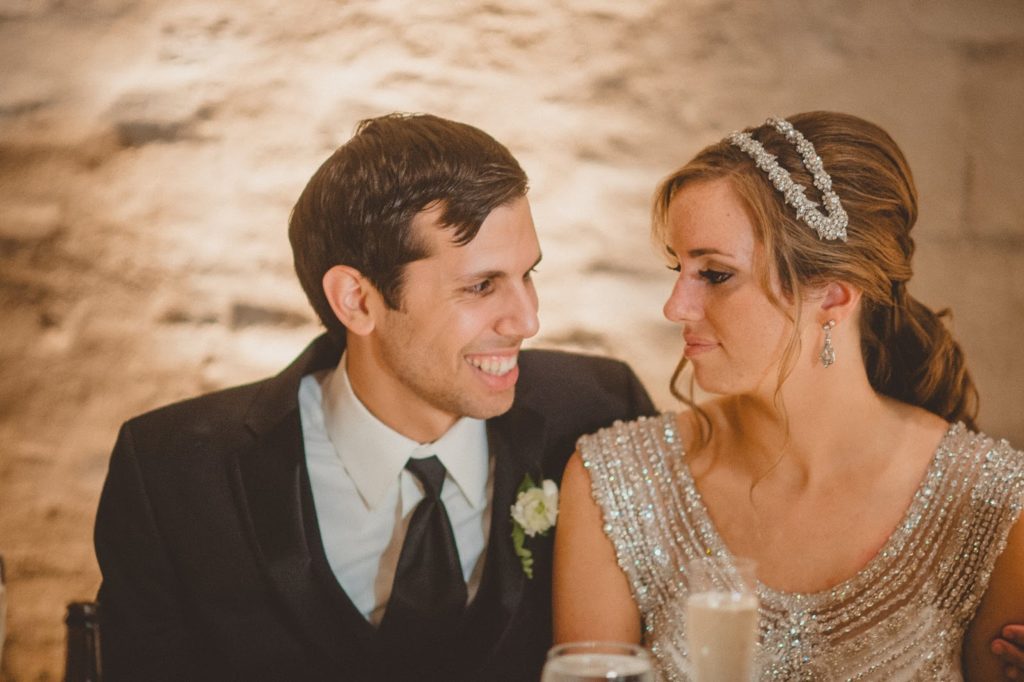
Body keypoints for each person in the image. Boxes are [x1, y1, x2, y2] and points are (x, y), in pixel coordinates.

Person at [94, 113, 655, 681]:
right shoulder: (173, 473)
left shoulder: (599, 412)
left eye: (528, 274)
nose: (528, 319)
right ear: (356, 301)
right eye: (481, 286)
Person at [553, 111, 1024, 680]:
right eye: (679, 267)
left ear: (833, 296)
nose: (675, 307)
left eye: (716, 274)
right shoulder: (617, 480)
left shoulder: (994, 506)